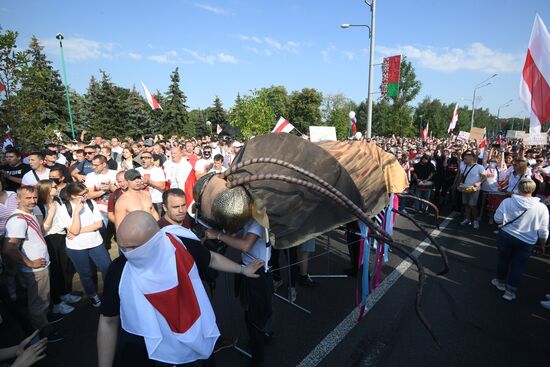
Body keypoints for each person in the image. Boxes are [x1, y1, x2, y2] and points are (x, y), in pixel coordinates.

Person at [97, 211, 264, 367]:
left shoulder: (182, 244)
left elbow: (210, 258)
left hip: (192, 345)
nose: (127, 253)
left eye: (134, 248)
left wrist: (242, 269)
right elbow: (108, 320)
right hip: (144, 352)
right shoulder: (119, 270)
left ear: (155, 241)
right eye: (122, 247)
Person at [205, 219, 273, 366]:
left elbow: (245, 245)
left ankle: (258, 357)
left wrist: (218, 235)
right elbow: (236, 236)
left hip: (259, 272)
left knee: (254, 316)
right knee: (251, 312)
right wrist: (226, 230)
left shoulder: (258, 221)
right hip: (251, 268)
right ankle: (261, 338)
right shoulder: (248, 220)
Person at [4, 186, 60, 341]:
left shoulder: (30, 213)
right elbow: (9, 248)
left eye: (34, 197)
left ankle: (43, 324)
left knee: (42, 300)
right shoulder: (17, 220)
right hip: (35, 270)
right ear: (17, 199)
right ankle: (44, 333)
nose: (32, 201)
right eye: (27, 198)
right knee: (38, 303)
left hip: (40, 265)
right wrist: (29, 263)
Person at [56, 182, 111, 308]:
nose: (86, 195)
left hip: (96, 243)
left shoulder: (91, 204)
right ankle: (92, 295)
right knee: (85, 273)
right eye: (82, 194)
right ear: (72, 196)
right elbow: (73, 230)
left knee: (106, 266)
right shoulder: (64, 209)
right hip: (76, 247)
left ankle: (109, 290)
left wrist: (77, 231)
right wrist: (76, 213)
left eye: (86, 192)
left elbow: (98, 225)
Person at [493, 179, 548, 301]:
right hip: (527, 241)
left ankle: (500, 282)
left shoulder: (508, 202)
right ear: (533, 190)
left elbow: (497, 219)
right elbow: (543, 230)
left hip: (507, 235)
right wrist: (542, 245)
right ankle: (510, 292)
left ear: (519, 188)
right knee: (518, 266)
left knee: (503, 260)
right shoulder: (542, 207)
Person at [36, 180, 81, 315]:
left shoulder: (59, 200)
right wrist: (51, 212)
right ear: (46, 190)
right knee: (54, 270)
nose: (57, 188)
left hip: (61, 236)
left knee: (64, 267)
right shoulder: (39, 206)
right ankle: (56, 303)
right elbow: (42, 229)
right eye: (54, 187)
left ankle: (64, 293)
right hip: (49, 239)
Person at [456, 151, 486, 229]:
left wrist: (479, 183)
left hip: (475, 189)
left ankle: (475, 221)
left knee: (473, 205)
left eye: (465, 159)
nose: (464, 160)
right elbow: (461, 177)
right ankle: (467, 219)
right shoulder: (464, 167)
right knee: (465, 204)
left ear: (471, 159)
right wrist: (459, 184)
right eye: (464, 159)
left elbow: (484, 177)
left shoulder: (479, 167)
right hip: (465, 188)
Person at [137, 152, 166, 216]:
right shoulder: (137, 170)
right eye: (142, 158)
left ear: (152, 160)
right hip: (141, 201)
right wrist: (141, 185)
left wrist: (149, 182)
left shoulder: (158, 170)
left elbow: (162, 186)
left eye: (146, 158)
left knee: (157, 223)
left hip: (156, 201)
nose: (143, 160)